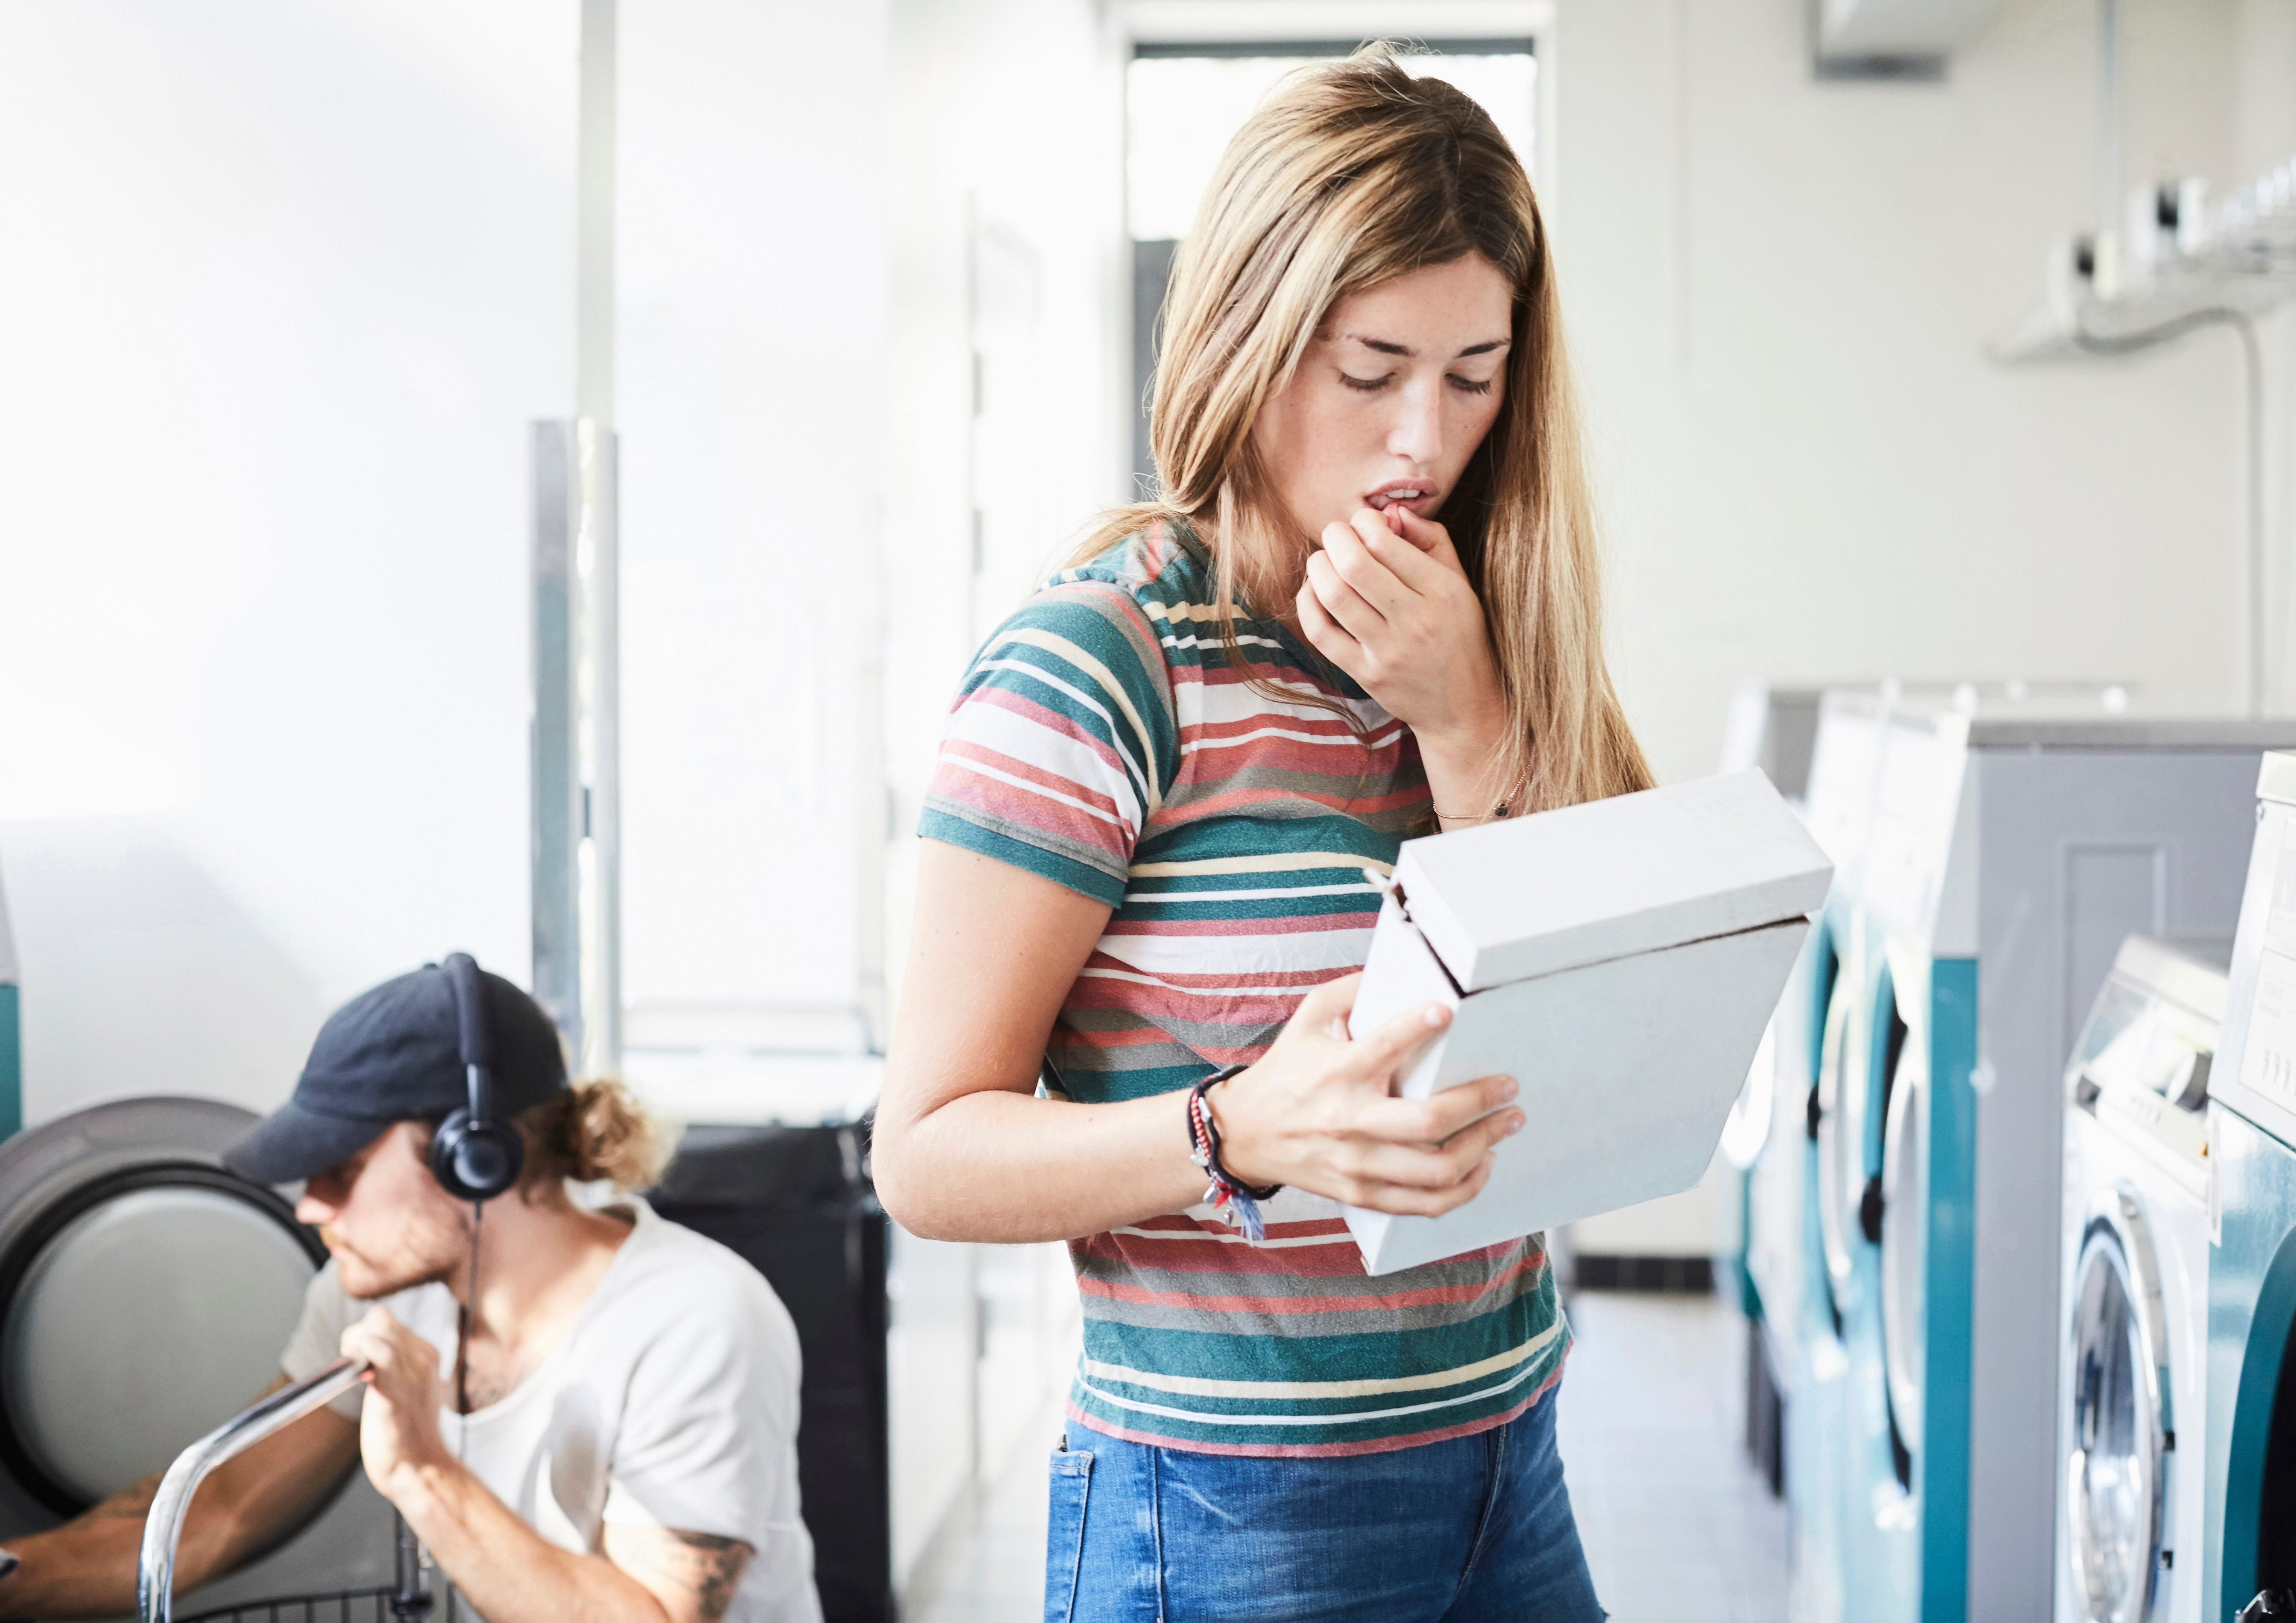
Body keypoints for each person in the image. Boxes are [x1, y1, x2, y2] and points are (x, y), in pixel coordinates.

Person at [873, 46, 1652, 1623]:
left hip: (1518, 1455)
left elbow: (1623, 1000)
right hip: (1236, 1517)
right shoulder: (1106, 664)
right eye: (1371, 372)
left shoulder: (1486, 629)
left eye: (1475, 372)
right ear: (1247, 334)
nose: (1423, 439)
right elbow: (928, 1155)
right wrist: (1231, 1134)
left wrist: (1472, 718)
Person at [0, 957, 820, 1623]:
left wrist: (426, 1474)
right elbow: (221, 1513)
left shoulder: (696, 1319)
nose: (312, 1204)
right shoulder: (373, 1292)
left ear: (473, 1156)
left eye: (345, 1170)